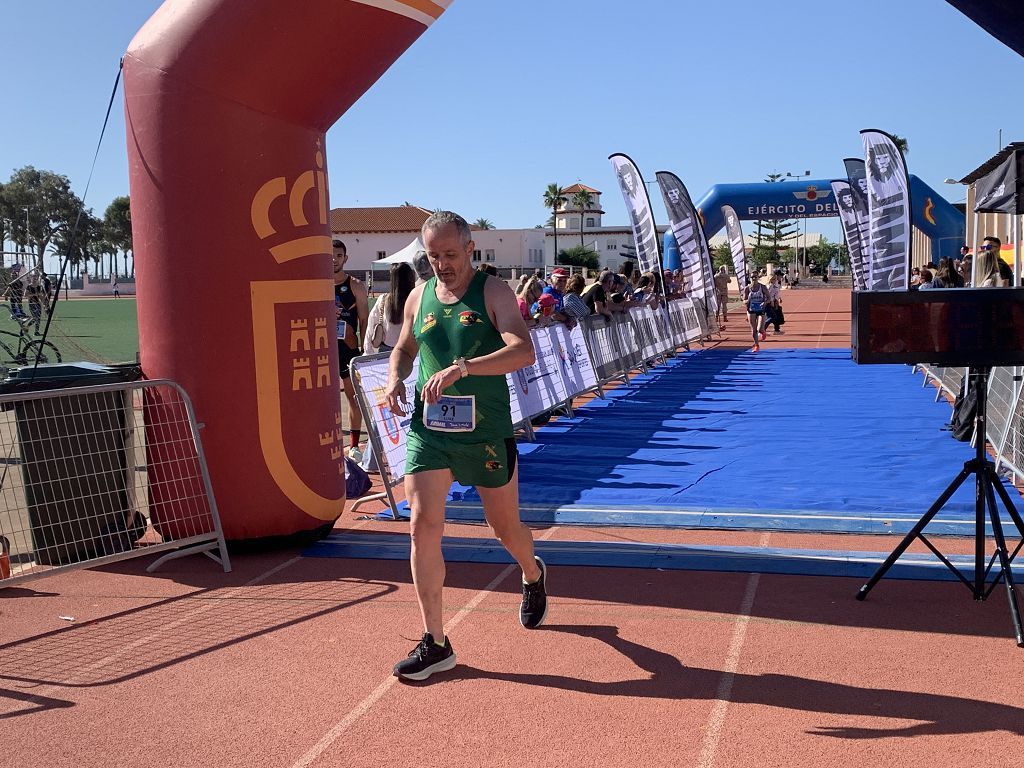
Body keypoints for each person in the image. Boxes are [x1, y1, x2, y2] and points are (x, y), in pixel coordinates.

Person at [384, 211, 546, 681]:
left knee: (505, 529)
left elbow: (523, 350)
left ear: (471, 249)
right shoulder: (419, 295)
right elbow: (404, 349)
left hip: (485, 432)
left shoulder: (493, 292)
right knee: (422, 525)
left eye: (450, 255)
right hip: (429, 432)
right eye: (433, 256)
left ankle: (532, 573)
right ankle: (436, 641)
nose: (442, 265)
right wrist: (396, 378)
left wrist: (464, 368)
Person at [333, 239, 369, 461]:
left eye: (338, 255)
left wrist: (364, 350)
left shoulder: (355, 285)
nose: (333, 259)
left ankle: (354, 446)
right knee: (321, 400)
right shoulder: (315, 284)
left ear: (345, 258)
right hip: (323, 349)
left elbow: (364, 320)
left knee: (352, 397)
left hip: (348, 349)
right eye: (329, 255)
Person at [364, 262, 416, 354]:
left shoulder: (383, 299)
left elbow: (371, 326)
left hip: (386, 351)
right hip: (411, 351)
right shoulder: (417, 300)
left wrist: (367, 352)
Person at [744, 276, 768, 351]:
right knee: (754, 329)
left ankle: (763, 331)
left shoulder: (763, 287)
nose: (754, 278)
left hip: (761, 309)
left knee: (760, 329)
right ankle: (756, 345)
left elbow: (769, 298)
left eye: (755, 277)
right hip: (751, 309)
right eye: (752, 277)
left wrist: (765, 302)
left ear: (758, 278)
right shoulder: (747, 288)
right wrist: (747, 301)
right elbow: (744, 300)